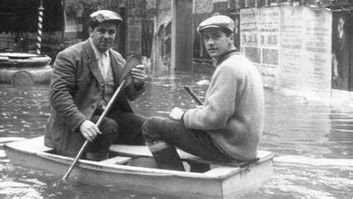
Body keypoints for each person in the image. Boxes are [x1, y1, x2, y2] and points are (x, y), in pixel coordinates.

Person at [142, 15, 264, 171]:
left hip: (229, 147)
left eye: (216, 36)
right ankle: (199, 171)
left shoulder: (228, 68)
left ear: (231, 38)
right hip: (244, 147)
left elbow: (215, 119)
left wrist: (184, 116)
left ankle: (176, 177)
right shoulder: (244, 63)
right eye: (206, 38)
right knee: (187, 125)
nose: (210, 43)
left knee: (151, 126)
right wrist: (194, 114)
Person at [44, 9, 147, 161]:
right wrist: (81, 122)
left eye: (111, 32)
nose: (107, 36)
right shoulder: (69, 56)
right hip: (76, 122)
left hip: (107, 116)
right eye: (102, 31)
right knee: (107, 127)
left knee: (147, 126)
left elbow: (128, 96)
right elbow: (58, 96)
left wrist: (137, 83)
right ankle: (94, 162)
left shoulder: (117, 59)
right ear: (91, 31)